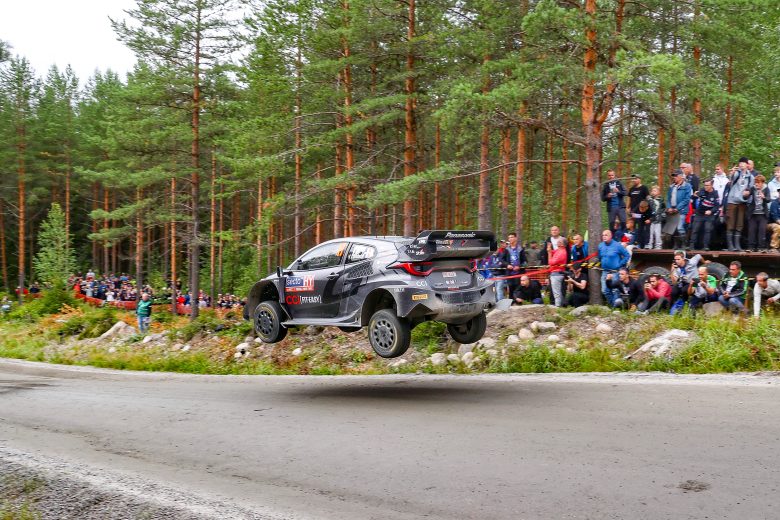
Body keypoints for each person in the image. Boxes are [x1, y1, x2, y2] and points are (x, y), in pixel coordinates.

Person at [722, 157, 755, 251]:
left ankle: (737, 245)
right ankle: (730, 245)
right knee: (730, 223)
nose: (741, 165)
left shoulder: (751, 177)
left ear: (747, 165)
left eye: (743, 163)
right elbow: (730, 181)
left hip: (742, 202)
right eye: (740, 163)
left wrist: (748, 193)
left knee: (739, 224)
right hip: (732, 201)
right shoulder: (736, 173)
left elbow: (751, 189)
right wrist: (731, 174)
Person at [598, 229, 630, 306]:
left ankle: (615, 307)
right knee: (605, 290)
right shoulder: (600, 245)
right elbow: (600, 257)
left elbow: (627, 255)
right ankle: (613, 305)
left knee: (615, 290)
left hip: (615, 271)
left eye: (606, 235)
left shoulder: (617, 245)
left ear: (611, 236)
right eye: (603, 235)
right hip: (605, 271)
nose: (604, 237)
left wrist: (620, 264)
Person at [664, 170, 692, 250]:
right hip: (672, 210)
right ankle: (676, 245)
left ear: (681, 176)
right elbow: (668, 199)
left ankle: (684, 245)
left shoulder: (687, 186)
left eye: (676, 176)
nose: (674, 177)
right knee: (674, 228)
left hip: (681, 210)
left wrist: (677, 208)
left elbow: (686, 199)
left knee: (680, 227)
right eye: (673, 176)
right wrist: (669, 207)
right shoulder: (671, 186)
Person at [688, 179, 719, 250]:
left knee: (707, 229)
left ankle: (706, 246)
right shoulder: (702, 190)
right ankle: (691, 245)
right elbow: (694, 197)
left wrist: (711, 211)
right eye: (705, 185)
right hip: (699, 213)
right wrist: (694, 196)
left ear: (711, 185)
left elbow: (717, 206)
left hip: (709, 214)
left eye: (707, 185)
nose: (706, 187)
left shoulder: (715, 194)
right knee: (695, 229)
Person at [747, 174, 770, 252]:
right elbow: (746, 196)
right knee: (751, 230)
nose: (756, 184)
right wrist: (745, 194)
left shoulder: (766, 189)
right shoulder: (752, 188)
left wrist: (764, 197)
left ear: (762, 183)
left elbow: (768, 199)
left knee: (762, 230)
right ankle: (751, 247)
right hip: (753, 214)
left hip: (763, 214)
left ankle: (761, 247)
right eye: (755, 182)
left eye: (758, 182)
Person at [500, 232, 526, 299]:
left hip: (519, 274)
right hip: (510, 273)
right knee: (510, 289)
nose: (510, 239)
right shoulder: (506, 249)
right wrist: (507, 265)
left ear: (515, 238)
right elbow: (502, 260)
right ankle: (511, 303)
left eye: (512, 237)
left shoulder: (520, 249)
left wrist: (519, 266)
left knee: (518, 290)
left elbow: (525, 261)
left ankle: (519, 303)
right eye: (509, 238)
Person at [547, 238, 568, 307]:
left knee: (556, 292)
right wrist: (549, 250)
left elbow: (551, 262)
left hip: (557, 274)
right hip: (555, 273)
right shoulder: (559, 251)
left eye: (559, 241)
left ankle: (558, 306)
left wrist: (549, 253)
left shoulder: (562, 252)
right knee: (557, 292)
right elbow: (553, 252)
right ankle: (560, 305)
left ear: (562, 244)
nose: (557, 242)